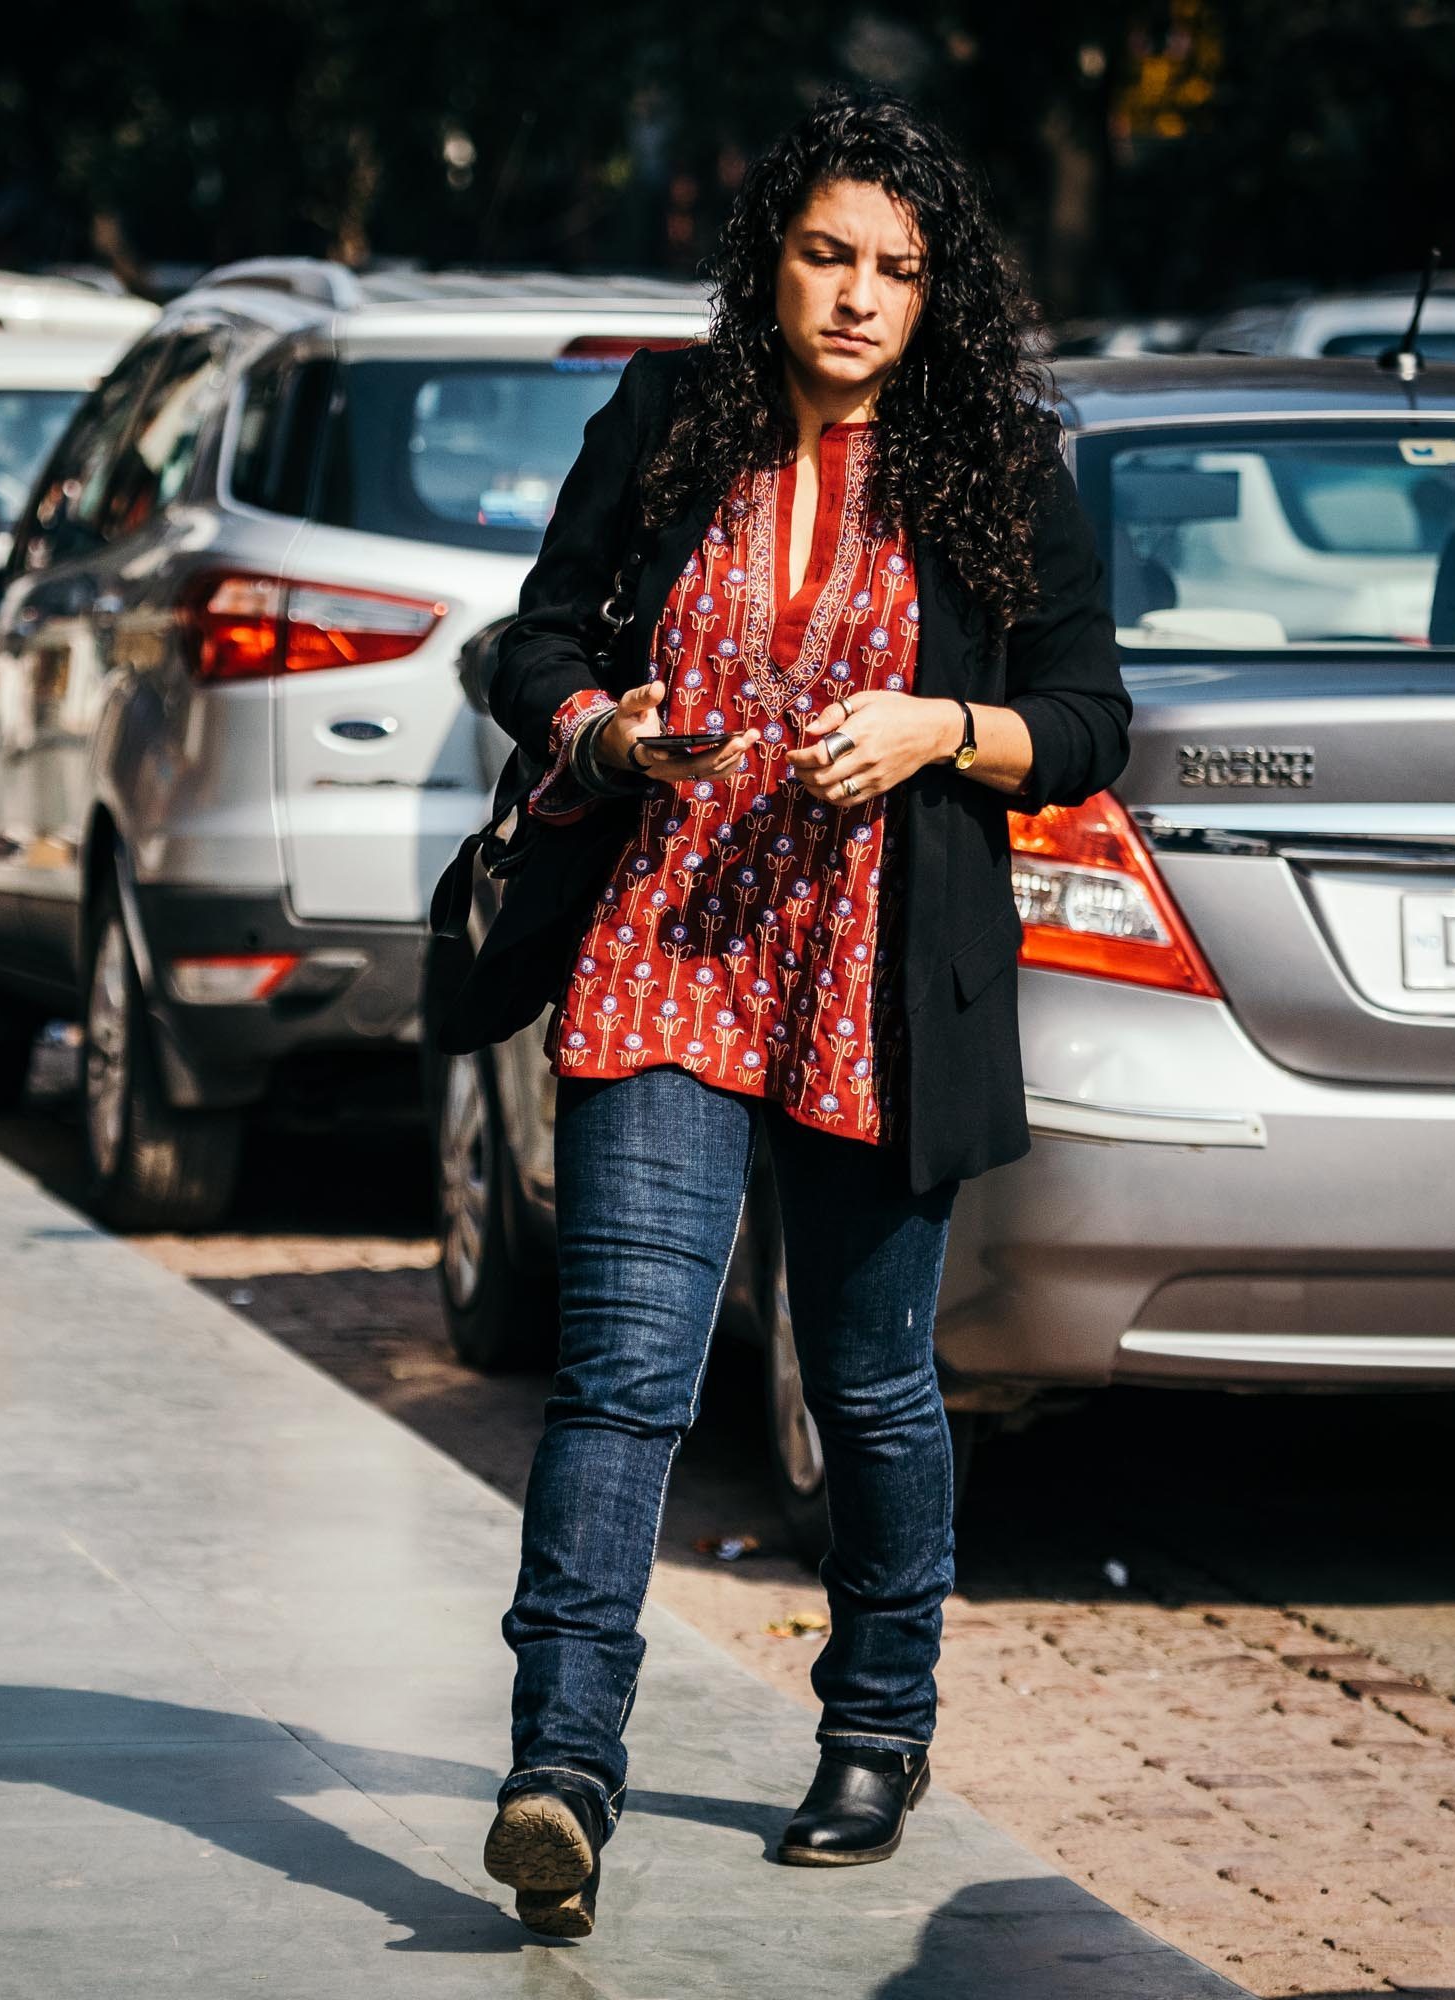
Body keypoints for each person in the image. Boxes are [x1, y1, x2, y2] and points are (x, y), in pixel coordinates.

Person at [433, 87, 1131, 1940]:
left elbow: (1086, 718)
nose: (857, 296)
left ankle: (878, 1726)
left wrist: (937, 732)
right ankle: (559, 1772)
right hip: (666, 947)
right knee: (624, 1381)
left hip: (876, 976)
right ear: (774, 260)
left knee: (871, 1377)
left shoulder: (992, 463)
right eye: (828, 254)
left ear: (935, 295)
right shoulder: (669, 422)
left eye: (897, 270)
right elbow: (537, 638)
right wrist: (609, 725)